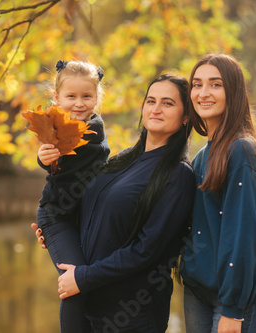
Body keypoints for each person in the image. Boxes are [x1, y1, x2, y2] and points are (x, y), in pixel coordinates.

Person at [35, 74, 196, 332]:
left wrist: (82, 277)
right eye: (151, 100)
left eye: (168, 103)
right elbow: (94, 210)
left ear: (186, 115)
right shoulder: (123, 159)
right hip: (89, 305)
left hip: (130, 314)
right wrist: (58, 231)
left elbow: (147, 250)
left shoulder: (178, 175)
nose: (155, 109)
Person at [180, 53, 256, 333]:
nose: (203, 93)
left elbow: (242, 233)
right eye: (197, 84)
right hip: (199, 291)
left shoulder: (242, 151)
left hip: (238, 300)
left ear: (233, 92)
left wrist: (233, 310)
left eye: (215, 84)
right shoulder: (202, 156)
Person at [34, 59, 110, 333]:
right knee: (74, 281)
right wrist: (44, 157)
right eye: (71, 96)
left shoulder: (95, 131)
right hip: (58, 217)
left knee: (95, 284)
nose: (79, 103)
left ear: (97, 98)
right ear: (57, 97)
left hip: (86, 218)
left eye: (87, 96)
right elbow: (54, 165)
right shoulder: (54, 128)